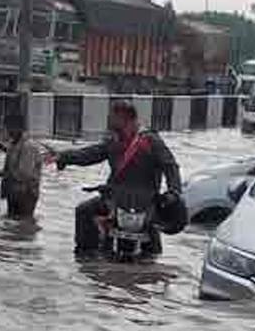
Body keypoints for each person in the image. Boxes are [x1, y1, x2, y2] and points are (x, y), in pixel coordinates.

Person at [50, 101, 185, 255]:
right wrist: (64, 156)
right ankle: (87, 255)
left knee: (86, 211)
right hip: (119, 200)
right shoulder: (115, 141)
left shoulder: (150, 141)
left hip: (139, 202)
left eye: (112, 116)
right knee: (84, 211)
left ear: (124, 118)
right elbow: (91, 154)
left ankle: (87, 257)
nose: (108, 119)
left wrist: (173, 192)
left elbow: (170, 166)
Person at [0, 114, 44, 219]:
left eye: (6, 128)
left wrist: (0, 173)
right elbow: (9, 152)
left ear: (16, 128)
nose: (4, 131)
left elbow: (24, 174)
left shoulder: (28, 146)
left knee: (23, 224)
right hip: (14, 192)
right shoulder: (15, 143)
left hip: (26, 194)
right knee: (13, 225)